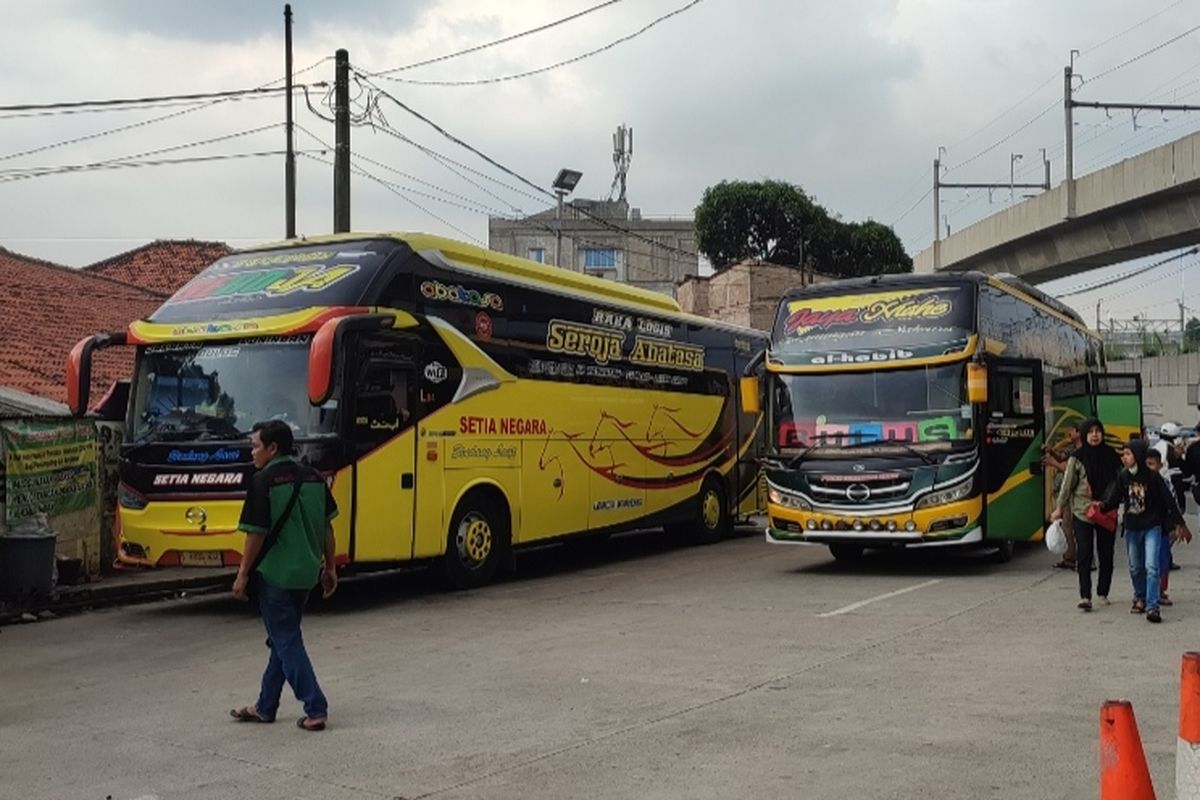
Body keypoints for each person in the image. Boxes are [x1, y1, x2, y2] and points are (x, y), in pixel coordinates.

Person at [230, 420, 339, 731]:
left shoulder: (263, 481)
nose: (252, 452)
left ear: (273, 448)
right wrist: (329, 568)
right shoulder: (315, 478)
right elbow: (327, 528)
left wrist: (242, 575)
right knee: (283, 639)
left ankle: (315, 707)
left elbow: (255, 535)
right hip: (306, 574)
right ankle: (265, 706)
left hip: (275, 575)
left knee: (287, 640)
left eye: (255, 446)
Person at [1096, 438, 1192, 624]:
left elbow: (1169, 501)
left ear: (1138, 456)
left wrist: (1180, 523)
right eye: (1124, 454)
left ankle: (1152, 606)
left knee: (1151, 566)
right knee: (1135, 566)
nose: (1124, 458)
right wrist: (1101, 507)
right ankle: (1139, 598)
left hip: (1152, 527)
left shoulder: (1153, 477)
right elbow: (1115, 499)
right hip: (1132, 528)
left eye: (1128, 454)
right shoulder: (1123, 476)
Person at [1050, 418, 1122, 611]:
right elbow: (1067, 485)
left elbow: (1119, 483)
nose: (1095, 435)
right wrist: (1059, 508)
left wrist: (1107, 502)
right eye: (1090, 432)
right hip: (1083, 512)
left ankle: (1103, 591)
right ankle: (1085, 595)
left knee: (1106, 553)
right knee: (1084, 553)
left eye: (1098, 431)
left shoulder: (1111, 456)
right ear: (1084, 435)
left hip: (1106, 511)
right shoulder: (1077, 457)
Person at [1043, 421, 1084, 570]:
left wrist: (1052, 462)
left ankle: (1078, 559)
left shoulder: (1083, 451)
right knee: (1066, 526)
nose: (1069, 434)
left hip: (1076, 496)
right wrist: (1051, 452)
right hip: (1066, 495)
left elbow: (1068, 469)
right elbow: (1061, 457)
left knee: (1073, 528)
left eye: (1072, 431)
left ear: (1079, 433)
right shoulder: (1072, 449)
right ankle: (1069, 557)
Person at [1145, 449, 1182, 606]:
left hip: (1164, 528)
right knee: (1149, 563)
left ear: (1160, 465)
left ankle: (1160, 591)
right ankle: (1148, 593)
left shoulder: (1166, 482)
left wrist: (1178, 524)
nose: (1149, 468)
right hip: (1146, 527)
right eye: (1147, 464)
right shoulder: (1141, 483)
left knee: (1163, 560)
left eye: (1152, 464)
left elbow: (1173, 504)